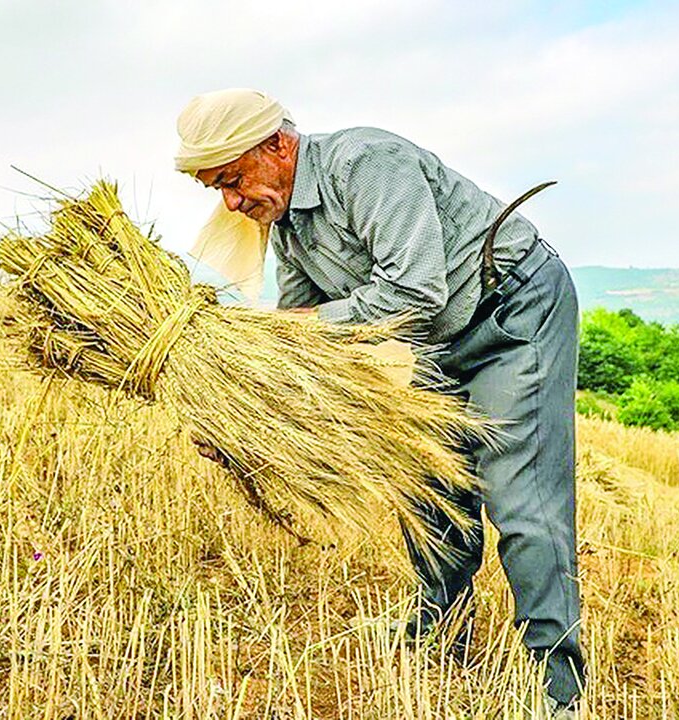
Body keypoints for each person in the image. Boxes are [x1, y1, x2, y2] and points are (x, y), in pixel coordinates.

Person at [174, 88, 584, 712]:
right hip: (435, 338)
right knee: (429, 487)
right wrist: (243, 404)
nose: (232, 202)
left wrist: (301, 329)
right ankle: (437, 633)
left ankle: (558, 684)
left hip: (510, 312)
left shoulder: (366, 164)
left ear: (277, 146)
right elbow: (300, 335)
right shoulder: (289, 228)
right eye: (217, 190)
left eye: (233, 179)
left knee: (521, 497)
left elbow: (414, 289)